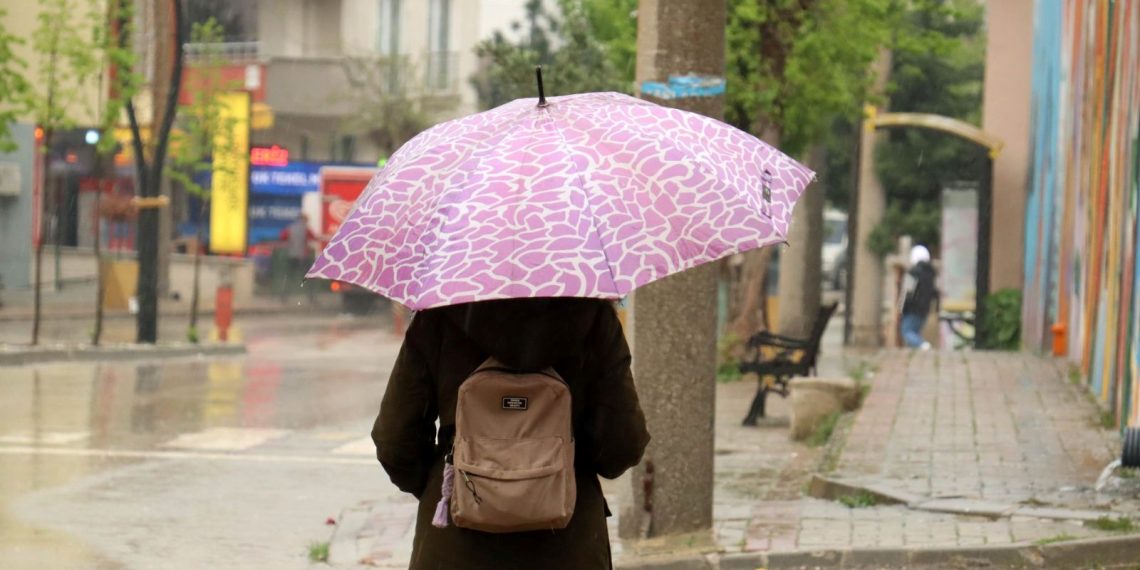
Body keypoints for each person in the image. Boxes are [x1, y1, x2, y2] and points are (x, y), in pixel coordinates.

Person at [373, 297, 650, 569]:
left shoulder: (438, 316)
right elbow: (622, 444)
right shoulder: (594, 320)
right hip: (568, 544)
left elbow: (394, 440)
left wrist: (449, 483)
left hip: (455, 548)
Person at [899, 245, 938, 350]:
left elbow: (906, 292)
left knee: (906, 332)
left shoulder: (912, 273)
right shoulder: (931, 274)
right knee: (915, 332)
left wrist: (901, 308)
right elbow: (934, 293)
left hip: (911, 309)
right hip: (924, 310)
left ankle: (923, 345)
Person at [279, 213, 316, 304]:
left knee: (289, 277)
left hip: (292, 256)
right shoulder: (306, 229)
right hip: (303, 257)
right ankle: (311, 297)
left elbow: (282, 237)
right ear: (304, 220)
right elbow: (313, 237)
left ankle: (284, 297)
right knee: (307, 278)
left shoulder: (290, 228)